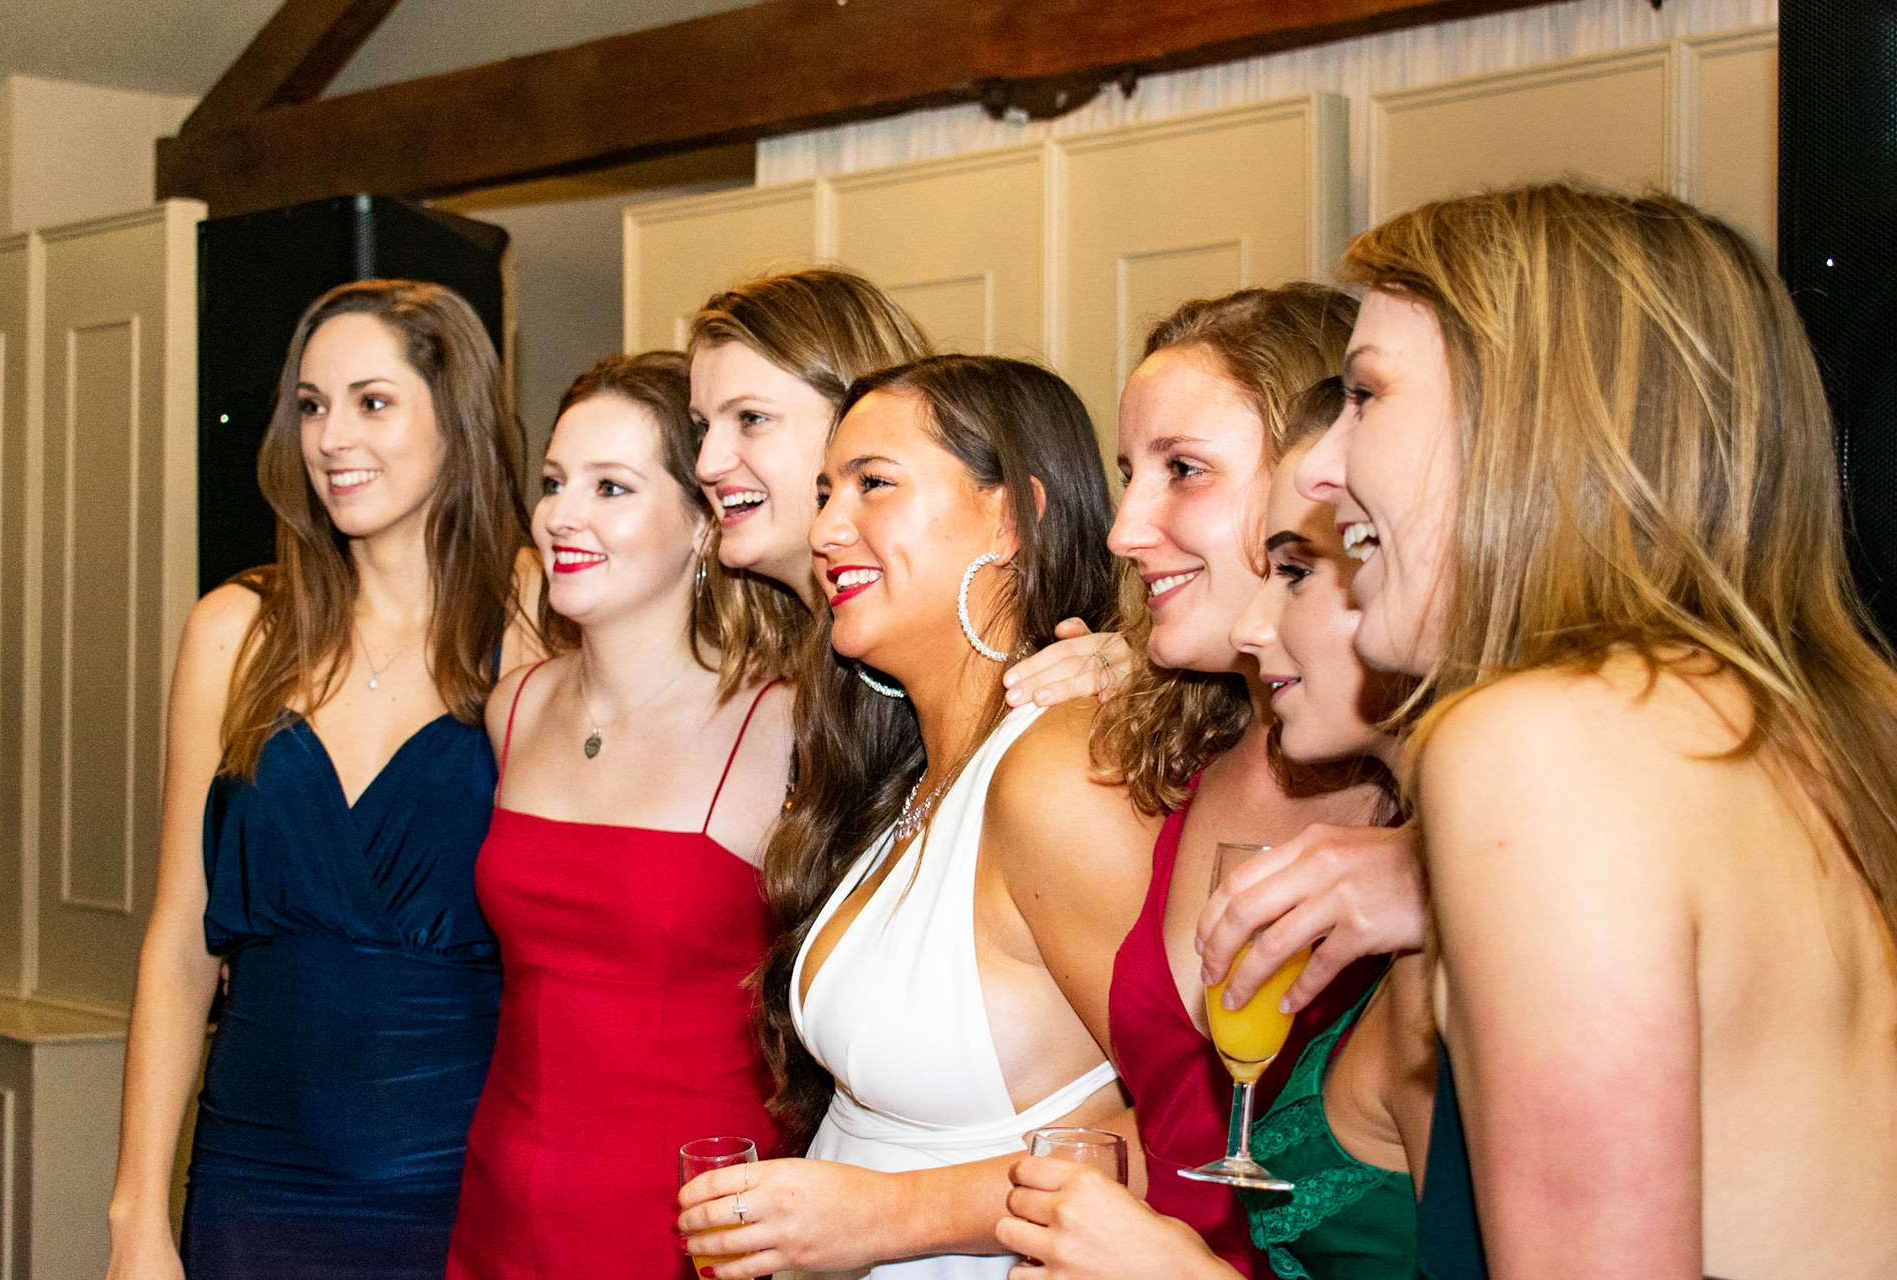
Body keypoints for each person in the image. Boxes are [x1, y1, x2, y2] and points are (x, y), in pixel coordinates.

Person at [1297, 184, 1897, 1279]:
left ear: (1529, 419)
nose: (1318, 468)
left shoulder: (1537, 745)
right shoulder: (1840, 726)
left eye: (1367, 395)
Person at [677, 355, 1160, 1278]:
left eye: (873, 484)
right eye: (826, 493)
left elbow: (1201, 1126)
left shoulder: (1057, 771)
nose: (825, 529)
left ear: (1011, 518)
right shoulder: (913, 780)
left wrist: (890, 1214)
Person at [107, 280, 543, 1280]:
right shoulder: (236, 631)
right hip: (252, 1178)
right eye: (311, 405)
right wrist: (136, 1215)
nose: (332, 437)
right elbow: (178, 937)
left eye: (372, 401)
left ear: (457, 416)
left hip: (459, 1177)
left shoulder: (537, 623)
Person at [1090, 289, 1426, 1275]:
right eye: (1128, 476)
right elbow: (1156, 1121)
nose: (1123, 529)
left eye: (1184, 469)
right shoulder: (1160, 750)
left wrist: (1442, 868)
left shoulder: (1458, 807)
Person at [445, 352, 795, 1279]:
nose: (562, 515)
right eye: (554, 482)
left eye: (611, 487)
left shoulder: (783, 724)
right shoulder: (515, 708)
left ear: (702, 524)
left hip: (691, 1219)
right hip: (502, 1203)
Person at [688, 267, 1124, 709]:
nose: (706, 464)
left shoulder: (1053, 691)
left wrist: (1146, 685)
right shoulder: (800, 673)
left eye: (751, 418)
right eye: (701, 428)